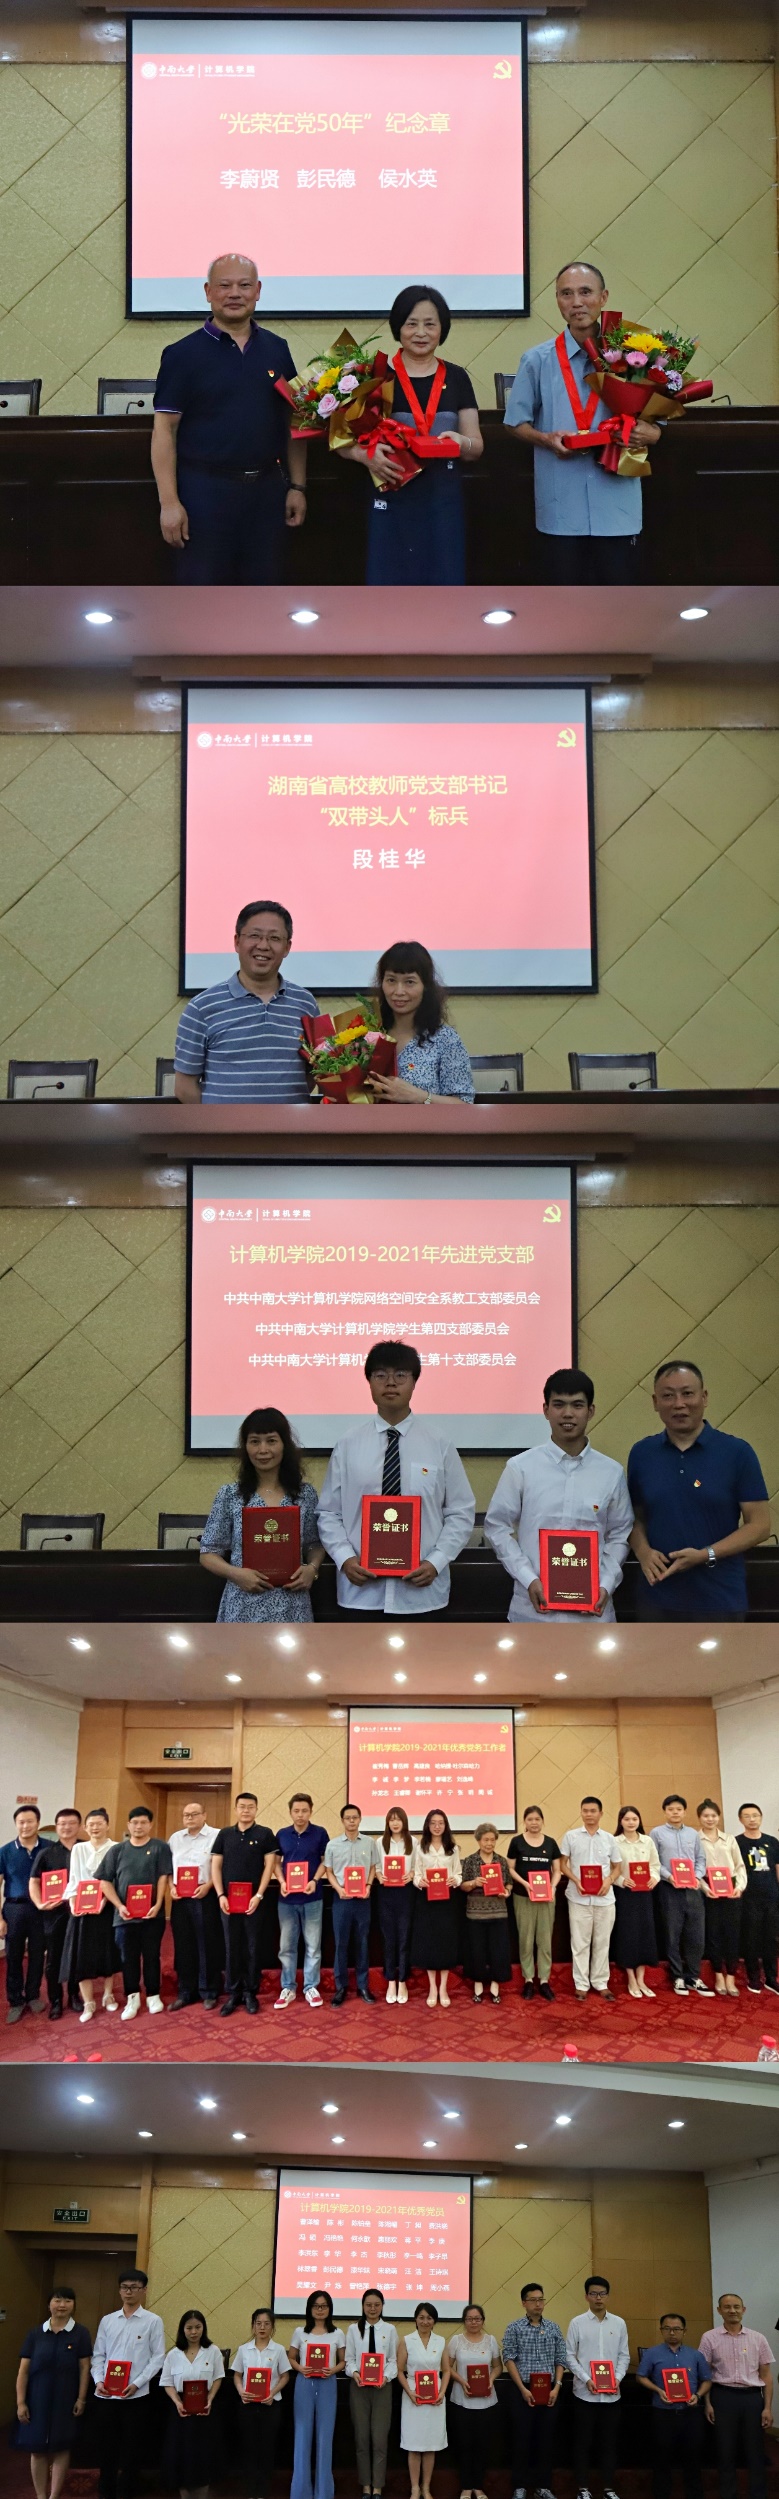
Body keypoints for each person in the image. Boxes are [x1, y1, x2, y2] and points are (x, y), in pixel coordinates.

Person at [151, 253, 307, 584]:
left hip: (267, 493)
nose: (234, 293)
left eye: (244, 285)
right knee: (203, 594)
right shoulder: (181, 354)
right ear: (208, 292)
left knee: (265, 592)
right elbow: (164, 430)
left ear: (258, 291)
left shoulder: (277, 349)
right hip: (204, 494)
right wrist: (169, 503)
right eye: (224, 285)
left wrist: (297, 485)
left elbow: (293, 422)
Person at [504, 261, 660, 585]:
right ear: (557, 300)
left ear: (604, 297)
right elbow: (514, 423)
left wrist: (651, 433)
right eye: (566, 294)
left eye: (585, 292)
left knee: (619, 603)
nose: (577, 302)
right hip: (561, 509)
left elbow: (657, 423)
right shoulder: (536, 360)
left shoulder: (635, 357)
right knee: (564, 605)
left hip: (617, 506)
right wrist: (546, 439)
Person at [318, 1340, 475, 1617]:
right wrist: (345, 1559)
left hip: (422, 1592)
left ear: (414, 1382)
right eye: (381, 1375)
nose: (390, 1383)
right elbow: (329, 1513)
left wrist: (436, 1562)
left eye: (400, 1375)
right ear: (369, 1382)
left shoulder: (438, 1443)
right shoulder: (348, 1444)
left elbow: (460, 1512)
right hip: (361, 1592)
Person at [339, 286, 482, 586]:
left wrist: (462, 443)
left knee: (444, 586)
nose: (420, 332)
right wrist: (363, 456)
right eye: (411, 323)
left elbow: (476, 446)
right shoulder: (376, 377)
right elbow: (339, 439)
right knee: (389, 588)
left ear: (442, 329)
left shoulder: (457, 377)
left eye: (430, 324)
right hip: (391, 496)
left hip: (443, 500)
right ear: (398, 327)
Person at [484, 1368, 633, 1624]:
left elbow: (620, 1534)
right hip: (532, 1613)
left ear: (591, 1411)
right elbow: (497, 1527)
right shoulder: (521, 1468)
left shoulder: (611, 1472)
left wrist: (606, 1584)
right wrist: (528, 1578)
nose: (567, 1413)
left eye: (577, 1405)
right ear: (545, 1410)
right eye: (559, 1404)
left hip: (593, 1615)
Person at [628, 1362, 770, 1623]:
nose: (679, 1404)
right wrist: (643, 1551)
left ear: (704, 1397)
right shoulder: (642, 1454)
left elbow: (760, 1525)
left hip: (720, 1598)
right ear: (655, 1402)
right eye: (668, 1396)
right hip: (657, 1597)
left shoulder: (738, 1453)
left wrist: (706, 1554)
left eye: (687, 1393)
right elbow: (634, 1518)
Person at [174, 900, 319, 1106]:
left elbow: (313, 1074)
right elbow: (185, 1086)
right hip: (225, 1128)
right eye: (254, 936)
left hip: (290, 1127)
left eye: (274, 938)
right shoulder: (202, 1008)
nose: (263, 945)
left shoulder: (306, 1004)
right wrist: (216, 1122)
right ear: (237, 942)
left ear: (287, 947)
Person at [200, 1407, 323, 1623]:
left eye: (271, 1441)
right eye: (255, 1441)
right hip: (243, 1603)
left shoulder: (305, 1494)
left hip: (292, 1604)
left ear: (285, 1445)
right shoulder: (230, 1495)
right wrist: (236, 1574)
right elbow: (208, 1553)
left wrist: (311, 1569)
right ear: (245, 1446)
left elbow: (315, 1544)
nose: (263, 1450)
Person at [364, 942, 474, 1105]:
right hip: (372, 1121)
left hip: (427, 1122)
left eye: (409, 982)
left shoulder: (446, 1040)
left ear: (426, 986)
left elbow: (465, 1105)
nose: (399, 991)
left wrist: (420, 1096)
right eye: (391, 980)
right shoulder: (366, 1035)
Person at [92, 2268, 165, 2499]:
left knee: (132, 2449)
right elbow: (98, 2355)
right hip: (107, 2396)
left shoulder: (153, 2321)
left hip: (136, 2397)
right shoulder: (107, 2321)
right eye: (125, 2287)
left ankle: (127, 2492)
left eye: (134, 2287)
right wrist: (99, 2380)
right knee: (107, 2448)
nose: (129, 2292)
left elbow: (158, 2357)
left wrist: (138, 2383)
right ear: (119, 2290)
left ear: (144, 2290)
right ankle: (106, 2492)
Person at [16, 2287, 92, 2499]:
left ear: (74, 2305)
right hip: (37, 2398)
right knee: (37, 2449)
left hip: (65, 2398)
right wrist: (21, 2402)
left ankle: (54, 2496)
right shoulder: (35, 2334)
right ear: (49, 2304)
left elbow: (84, 2368)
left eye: (68, 2300)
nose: (62, 2305)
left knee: (62, 2447)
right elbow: (23, 2371)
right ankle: (41, 2496)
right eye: (57, 2300)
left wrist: (81, 2398)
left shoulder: (81, 2333)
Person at [99, 1808, 172, 2022]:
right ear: (128, 1825)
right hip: (124, 1916)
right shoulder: (117, 1850)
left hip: (152, 1915)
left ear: (150, 1824)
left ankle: (153, 1994)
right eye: (135, 1823)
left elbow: (163, 1877)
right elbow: (104, 1881)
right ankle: (132, 1996)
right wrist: (119, 1905)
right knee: (128, 1957)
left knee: (152, 1955)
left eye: (143, 1822)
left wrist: (158, 1904)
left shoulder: (160, 1847)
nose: (138, 1826)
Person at [700, 2295, 774, 2499]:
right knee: (725, 2450)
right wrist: (707, 2403)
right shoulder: (709, 2337)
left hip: (752, 2398)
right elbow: (705, 2374)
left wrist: (767, 2407)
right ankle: (728, 2494)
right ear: (719, 2310)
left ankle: (758, 2494)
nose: (732, 2310)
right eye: (727, 2307)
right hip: (722, 2397)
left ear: (744, 2309)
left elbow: (766, 2376)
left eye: (736, 2307)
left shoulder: (758, 2338)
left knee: (755, 2449)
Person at [211, 1794, 277, 2017]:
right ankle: (233, 1992)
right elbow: (215, 1866)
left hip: (254, 1902)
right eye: (242, 1807)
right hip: (228, 1902)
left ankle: (250, 1992)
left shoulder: (265, 1834)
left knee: (252, 1946)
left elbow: (269, 1867)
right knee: (231, 1946)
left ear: (256, 1809)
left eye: (250, 1807)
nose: (246, 1810)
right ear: (236, 1809)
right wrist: (220, 1895)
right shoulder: (224, 1834)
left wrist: (259, 1895)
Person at [502, 2278, 567, 2499]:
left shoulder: (553, 2328)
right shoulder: (514, 2327)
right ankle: (520, 2486)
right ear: (524, 2303)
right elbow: (509, 2358)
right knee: (521, 2438)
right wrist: (522, 2389)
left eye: (541, 2299)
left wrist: (557, 2387)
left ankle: (543, 2486)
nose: (538, 2304)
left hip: (550, 2390)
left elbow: (560, 2359)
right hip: (523, 2390)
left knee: (546, 2439)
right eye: (533, 2300)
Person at [566, 2275, 629, 2499]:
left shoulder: (619, 2323)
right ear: (586, 2296)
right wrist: (586, 2379)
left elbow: (624, 2355)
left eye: (602, 2293)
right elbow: (569, 2356)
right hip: (584, 2395)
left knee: (609, 2445)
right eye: (593, 2293)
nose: (598, 2298)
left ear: (608, 2296)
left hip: (612, 2396)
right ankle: (583, 2489)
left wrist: (617, 2378)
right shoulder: (577, 2323)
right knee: (582, 2444)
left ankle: (608, 2489)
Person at [636, 2313, 712, 2499]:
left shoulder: (695, 2355)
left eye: (677, 2329)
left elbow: (707, 2380)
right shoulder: (652, 2353)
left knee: (693, 2456)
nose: (672, 2332)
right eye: (667, 2328)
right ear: (661, 2330)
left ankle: (694, 2495)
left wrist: (697, 2395)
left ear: (684, 2331)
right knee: (662, 2457)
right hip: (663, 2413)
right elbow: (640, 2377)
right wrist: (658, 2390)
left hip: (690, 2413)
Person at [60, 1806, 121, 2024]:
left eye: (99, 1824)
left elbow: (116, 1879)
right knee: (81, 1956)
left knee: (108, 1953)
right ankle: (88, 2002)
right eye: (91, 1824)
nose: (95, 1828)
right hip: (82, 1909)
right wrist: (73, 1903)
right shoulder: (79, 1849)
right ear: (85, 1828)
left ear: (107, 1825)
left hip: (107, 1908)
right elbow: (74, 1879)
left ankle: (108, 1994)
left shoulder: (116, 1848)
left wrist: (104, 1900)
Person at [650, 1796, 712, 1999]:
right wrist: (669, 1877)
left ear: (684, 1812)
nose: (675, 1812)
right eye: (671, 1809)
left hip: (692, 1889)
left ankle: (694, 1976)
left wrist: (696, 1877)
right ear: (665, 1811)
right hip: (669, 1889)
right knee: (672, 1934)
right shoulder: (656, 1833)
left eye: (679, 1809)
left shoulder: (693, 1834)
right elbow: (654, 1862)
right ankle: (677, 1976)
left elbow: (700, 1859)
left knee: (696, 1935)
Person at [559, 1799, 621, 2000]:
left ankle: (601, 1982)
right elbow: (562, 1864)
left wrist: (609, 1880)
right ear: (581, 1813)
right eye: (585, 1811)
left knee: (602, 1942)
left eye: (593, 1811)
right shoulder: (571, 1836)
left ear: (600, 1813)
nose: (589, 1814)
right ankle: (581, 1984)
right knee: (580, 1943)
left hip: (605, 1899)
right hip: (578, 1897)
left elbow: (617, 1867)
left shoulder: (610, 1839)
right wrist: (576, 1880)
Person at [274, 1791, 330, 2009]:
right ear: (290, 1812)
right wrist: (281, 1881)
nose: (300, 1815)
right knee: (286, 1946)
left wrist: (315, 1880)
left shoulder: (320, 1833)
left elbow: (325, 1861)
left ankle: (310, 1987)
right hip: (287, 1899)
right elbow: (275, 1863)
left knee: (313, 1946)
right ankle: (288, 1987)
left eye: (304, 1811)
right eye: (296, 1811)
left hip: (312, 1897)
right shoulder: (282, 1834)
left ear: (311, 1811)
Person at [288, 2291, 346, 2499]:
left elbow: (343, 2361)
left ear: (329, 2309)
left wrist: (333, 2370)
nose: (320, 2310)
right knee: (302, 2436)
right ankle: (301, 2492)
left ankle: (323, 2493)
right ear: (309, 2308)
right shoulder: (299, 2332)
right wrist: (300, 2368)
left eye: (324, 2306)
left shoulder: (337, 2333)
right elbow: (291, 2358)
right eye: (316, 2306)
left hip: (328, 2384)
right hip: (304, 2383)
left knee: (324, 2438)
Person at [161, 2310, 224, 2498]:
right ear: (183, 2329)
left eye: (198, 2327)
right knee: (182, 2456)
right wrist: (177, 2401)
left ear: (203, 2328)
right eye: (189, 2328)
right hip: (181, 2412)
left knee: (203, 2456)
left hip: (205, 2411)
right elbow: (167, 2382)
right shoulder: (173, 2354)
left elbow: (218, 2377)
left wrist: (210, 2398)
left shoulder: (213, 2351)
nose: (194, 2332)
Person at [167, 1801, 224, 2012]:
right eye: (186, 1815)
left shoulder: (216, 1836)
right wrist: (172, 1887)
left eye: (194, 1814)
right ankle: (186, 1991)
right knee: (183, 1944)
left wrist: (208, 1886)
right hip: (181, 1899)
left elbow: (220, 1867)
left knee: (208, 1943)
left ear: (204, 1815)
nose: (189, 1818)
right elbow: (169, 1868)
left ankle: (209, 1991)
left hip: (205, 1895)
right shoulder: (175, 1838)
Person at [28, 1808, 83, 2022]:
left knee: (77, 1955)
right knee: (53, 1958)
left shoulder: (85, 1850)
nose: (66, 1827)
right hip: (55, 1914)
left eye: (71, 1823)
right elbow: (34, 1881)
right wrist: (39, 1903)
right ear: (57, 1826)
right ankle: (56, 2000)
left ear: (79, 1826)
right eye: (62, 1823)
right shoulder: (46, 1853)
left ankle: (74, 1995)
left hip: (81, 1912)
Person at [231, 2307, 290, 2499]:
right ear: (253, 2326)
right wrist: (241, 2391)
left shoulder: (279, 2350)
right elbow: (237, 2375)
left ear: (272, 2327)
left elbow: (285, 2376)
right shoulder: (243, 2349)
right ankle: (250, 2492)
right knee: (248, 2449)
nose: (262, 2327)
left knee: (267, 2450)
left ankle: (263, 2492)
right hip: (247, 2406)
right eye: (258, 2323)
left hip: (270, 2406)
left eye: (266, 2324)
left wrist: (272, 2393)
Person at [325, 1803, 380, 2007]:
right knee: (341, 1943)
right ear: (342, 1820)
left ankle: (363, 1986)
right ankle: (341, 1987)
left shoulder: (369, 1843)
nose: (351, 1821)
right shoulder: (332, 1845)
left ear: (360, 1819)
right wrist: (339, 1889)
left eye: (355, 1817)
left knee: (363, 1943)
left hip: (363, 1900)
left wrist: (368, 1886)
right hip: (342, 1900)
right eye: (347, 1818)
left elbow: (373, 1867)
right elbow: (329, 1872)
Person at [345, 2289, 398, 2499]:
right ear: (363, 2306)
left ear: (382, 2306)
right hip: (358, 2388)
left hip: (383, 2389)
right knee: (361, 2437)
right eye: (368, 2305)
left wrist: (385, 2377)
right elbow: (349, 2359)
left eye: (377, 2304)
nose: (373, 2308)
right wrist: (355, 2373)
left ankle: (378, 2486)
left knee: (379, 2438)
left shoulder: (390, 2329)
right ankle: (366, 2486)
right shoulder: (353, 2329)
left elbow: (393, 2360)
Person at [447, 2302, 501, 2499]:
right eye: (469, 2319)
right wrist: (462, 2381)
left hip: (486, 2401)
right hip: (462, 2400)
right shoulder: (456, 2341)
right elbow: (447, 2368)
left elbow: (498, 2366)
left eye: (477, 2318)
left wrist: (491, 2380)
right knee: (464, 2444)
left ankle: (478, 2486)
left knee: (482, 2445)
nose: (473, 2322)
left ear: (483, 2321)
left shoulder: (491, 2340)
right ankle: (466, 2486)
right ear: (464, 2321)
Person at [508, 1806, 562, 2001]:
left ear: (542, 1821)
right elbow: (510, 1868)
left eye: (537, 1819)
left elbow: (557, 1870)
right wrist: (525, 1884)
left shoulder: (550, 1842)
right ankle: (529, 1979)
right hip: (523, 1897)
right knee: (526, 1939)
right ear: (525, 1822)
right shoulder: (516, 1842)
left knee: (545, 1940)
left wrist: (553, 1887)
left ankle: (544, 1980)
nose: (534, 1822)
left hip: (546, 1898)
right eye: (530, 1819)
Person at [398, 2301, 450, 2499]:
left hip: (435, 2396)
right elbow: (399, 2371)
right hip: (413, 2395)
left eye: (429, 2318)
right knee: (414, 2444)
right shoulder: (406, 2340)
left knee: (430, 2445)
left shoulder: (441, 2341)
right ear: (415, 2319)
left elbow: (446, 2370)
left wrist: (442, 2392)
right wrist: (409, 2392)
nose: (425, 2321)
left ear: (434, 2321)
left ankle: (426, 2487)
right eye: (421, 2317)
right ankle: (415, 2488)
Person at [0, 1803, 45, 2026]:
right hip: (14, 1908)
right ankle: (16, 2000)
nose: (25, 1826)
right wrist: (0, 1919)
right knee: (13, 1956)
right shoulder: (5, 1851)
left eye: (30, 1821)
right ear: (16, 1824)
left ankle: (33, 1995)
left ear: (38, 1823)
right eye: (21, 1822)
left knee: (38, 1954)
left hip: (41, 1909)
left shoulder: (48, 1848)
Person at [697, 1799, 746, 1998]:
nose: (710, 1819)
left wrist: (739, 1887)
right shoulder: (695, 1839)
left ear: (719, 1817)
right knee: (714, 1934)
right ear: (699, 1818)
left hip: (731, 1891)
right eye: (706, 1816)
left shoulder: (729, 1839)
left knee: (732, 1934)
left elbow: (739, 1866)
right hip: (709, 1891)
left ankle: (731, 1976)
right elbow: (694, 1868)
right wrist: (704, 1888)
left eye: (714, 1815)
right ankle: (718, 1975)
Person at [413, 1808, 462, 2008]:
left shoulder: (453, 1848)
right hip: (426, 1900)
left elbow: (458, 1873)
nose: (437, 1826)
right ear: (427, 1825)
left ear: (445, 1825)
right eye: (433, 1823)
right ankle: (433, 1987)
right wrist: (419, 1881)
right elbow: (416, 1873)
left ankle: (443, 1988)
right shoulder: (420, 1847)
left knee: (445, 1942)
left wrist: (455, 1880)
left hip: (447, 1901)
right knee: (430, 1942)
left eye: (440, 1823)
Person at [612, 1806, 661, 2001]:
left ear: (639, 1820)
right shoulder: (614, 1842)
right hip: (625, 1894)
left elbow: (655, 1865)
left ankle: (641, 1979)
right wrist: (621, 1880)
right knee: (627, 1934)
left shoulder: (647, 1841)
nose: (631, 1822)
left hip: (645, 1894)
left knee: (644, 1934)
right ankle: (631, 1979)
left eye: (634, 1819)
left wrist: (654, 1878)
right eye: (627, 1819)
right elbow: (610, 1868)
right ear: (620, 1821)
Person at [460, 1823, 513, 2005]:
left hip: (498, 1913)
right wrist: (474, 1883)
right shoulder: (470, 1861)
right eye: (485, 1840)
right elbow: (462, 1886)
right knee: (477, 1951)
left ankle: (495, 1986)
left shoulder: (501, 1861)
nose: (489, 1843)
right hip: (475, 1914)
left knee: (498, 1951)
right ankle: (478, 1985)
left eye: (492, 1840)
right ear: (478, 1841)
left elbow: (509, 1883)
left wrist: (507, 1892)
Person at [736, 1805, 779, 1996]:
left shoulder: (772, 1841)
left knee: (771, 1939)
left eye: (755, 1815)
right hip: (748, 1898)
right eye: (747, 1816)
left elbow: (777, 1868)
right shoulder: (737, 1842)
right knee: (751, 1939)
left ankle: (771, 1978)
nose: (752, 1819)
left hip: (771, 1897)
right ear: (740, 1820)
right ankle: (753, 1977)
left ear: (761, 1817)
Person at [377, 1805, 415, 2003]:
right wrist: (379, 1875)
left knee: (404, 1937)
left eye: (398, 1819)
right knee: (389, 1938)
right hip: (386, 1893)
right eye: (391, 1819)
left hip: (406, 1893)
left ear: (404, 1821)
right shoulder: (380, 1842)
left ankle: (403, 1981)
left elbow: (417, 1867)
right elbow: (376, 1867)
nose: (395, 1823)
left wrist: (412, 1874)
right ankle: (391, 1980)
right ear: (387, 1823)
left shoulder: (413, 1842)